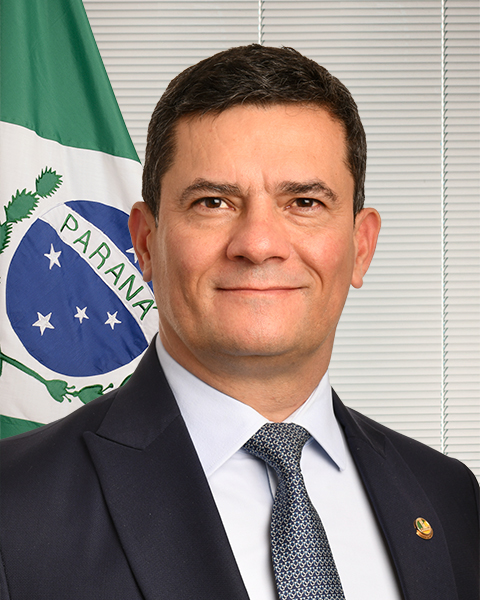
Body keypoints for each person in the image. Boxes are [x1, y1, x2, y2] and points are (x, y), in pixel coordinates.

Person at [0, 45, 478, 600]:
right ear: (146, 243)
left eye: (304, 202)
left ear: (361, 246)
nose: (258, 243)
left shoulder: (449, 497)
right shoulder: (13, 505)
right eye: (213, 202)